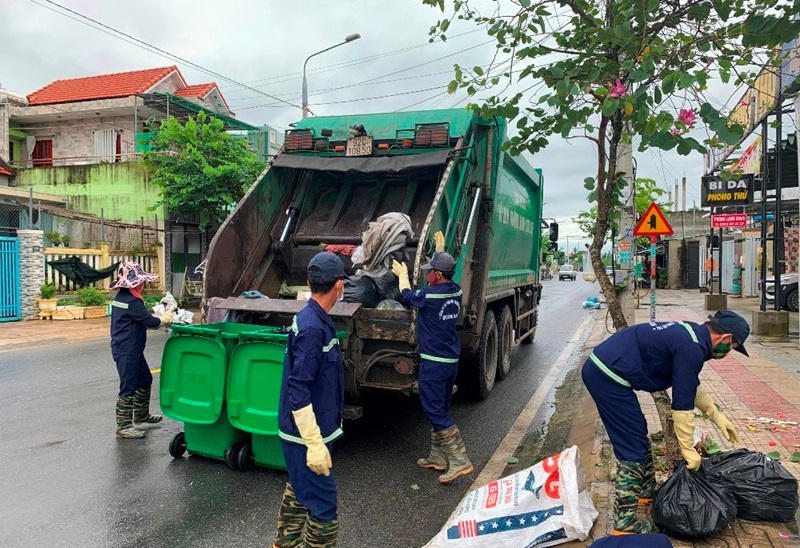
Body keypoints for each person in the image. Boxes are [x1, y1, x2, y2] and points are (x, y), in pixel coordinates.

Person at [582, 310, 749, 534]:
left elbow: (689, 383)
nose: (729, 351)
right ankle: (625, 522)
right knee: (631, 447)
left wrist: (716, 416)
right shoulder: (692, 347)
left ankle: (645, 492)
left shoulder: (692, 335)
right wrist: (688, 450)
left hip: (607, 369)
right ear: (726, 338)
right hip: (607, 376)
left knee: (638, 434)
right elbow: (681, 407)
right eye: (734, 347)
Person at [274, 252, 346, 548]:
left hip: (307, 432)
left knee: (300, 489)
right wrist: (314, 443)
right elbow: (299, 388)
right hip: (305, 437)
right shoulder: (313, 328)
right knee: (325, 509)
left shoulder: (312, 318)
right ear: (339, 286)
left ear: (308, 282)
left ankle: (285, 543)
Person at [391, 231, 473, 484]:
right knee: (440, 406)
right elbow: (440, 282)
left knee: (434, 409)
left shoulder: (430, 296)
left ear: (437, 275)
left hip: (434, 363)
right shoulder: (455, 291)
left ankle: (460, 461)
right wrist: (440, 252)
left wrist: (403, 277)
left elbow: (407, 296)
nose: (427, 275)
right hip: (449, 361)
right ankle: (438, 456)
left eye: (430, 271)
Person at [109, 261, 172, 439]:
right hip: (126, 350)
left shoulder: (122, 297)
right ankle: (124, 426)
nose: (143, 284)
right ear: (134, 283)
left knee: (145, 379)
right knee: (128, 385)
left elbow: (139, 316)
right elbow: (149, 322)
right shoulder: (131, 301)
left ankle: (141, 415)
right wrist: (164, 319)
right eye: (141, 282)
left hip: (131, 349)